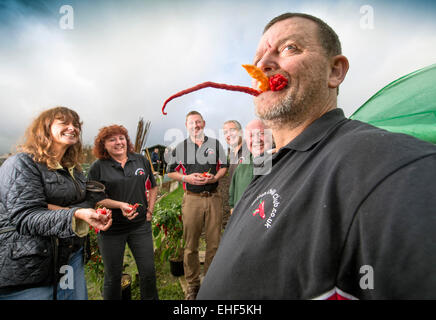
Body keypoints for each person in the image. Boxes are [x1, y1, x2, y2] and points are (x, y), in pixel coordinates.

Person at [197, 12, 436, 300]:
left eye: (289, 48)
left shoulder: (380, 161)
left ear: (334, 71)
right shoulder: (269, 166)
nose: (262, 65)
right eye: (259, 56)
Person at [0, 106, 112, 300]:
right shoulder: (22, 163)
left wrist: (83, 211)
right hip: (30, 264)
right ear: (45, 128)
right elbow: (26, 216)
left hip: (70, 256)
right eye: (64, 122)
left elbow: (85, 200)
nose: (72, 127)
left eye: (76, 124)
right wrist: (75, 214)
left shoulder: (73, 170)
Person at [88, 125, 159, 300]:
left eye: (121, 138)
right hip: (111, 229)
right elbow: (96, 198)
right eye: (112, 139)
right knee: (113, 277)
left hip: (140, 226)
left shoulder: (140, 160)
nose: (118, 142)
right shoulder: (98, 167)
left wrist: (149, 210)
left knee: (148, 272)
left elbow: (154, 186)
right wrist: (120, 205)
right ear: (103, 145)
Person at [167, 111, 228, 300]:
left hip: (213, 197)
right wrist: (186, 177)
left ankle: (210, 281)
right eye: (192, 123)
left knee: (214, 244)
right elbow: (170, 172)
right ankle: (193, 285)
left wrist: (216, 176)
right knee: (191, 244)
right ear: (186, 126)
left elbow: (224, 166)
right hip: (192, 198)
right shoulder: (181, 147)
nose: (196, 125)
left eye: (198, 122)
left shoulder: (215, 144)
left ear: (204, 123)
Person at [229, 119, 272, 213]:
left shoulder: (281, 162)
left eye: (261, 133)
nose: (256, 139)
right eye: (251, 135)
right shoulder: (241, 167)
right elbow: (233, 202)